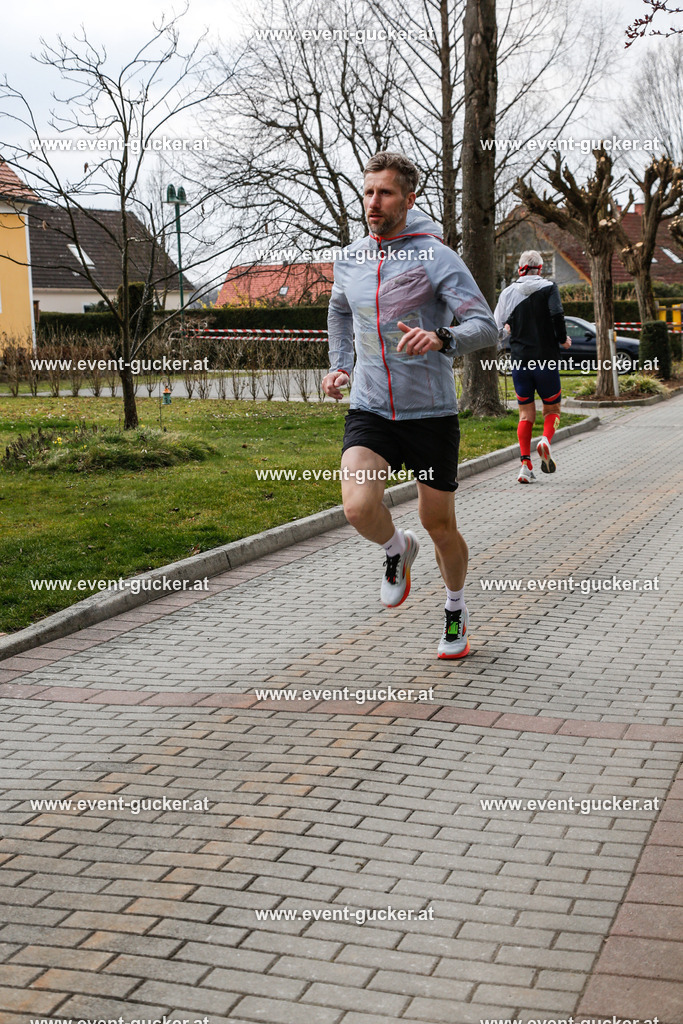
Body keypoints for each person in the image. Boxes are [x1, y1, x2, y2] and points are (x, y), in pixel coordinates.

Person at [322, 152, 498, 659]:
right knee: (357, 508)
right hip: (371, 408)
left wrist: (442, 337)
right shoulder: (350, 258)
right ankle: (395, 548)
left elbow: (483, 325)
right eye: (368, 192)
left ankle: (455, 607)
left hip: (430, 414)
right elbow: (338, 311)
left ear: (409, 198)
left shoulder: (436, 256)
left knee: (439, 525)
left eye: (386, 193)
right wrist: (341, 365)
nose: (373, 202)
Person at [493, 251, 571, 483]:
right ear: (540, 268)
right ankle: (545, 440)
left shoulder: (507, 293)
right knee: (553, 410)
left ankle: (525, 466)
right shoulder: (549, 287)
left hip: (519, 361)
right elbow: (557, 314)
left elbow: (494, 330)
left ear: (520, 268)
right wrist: (562, 338)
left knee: (525, 415)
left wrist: (505, 332)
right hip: (545, 359)